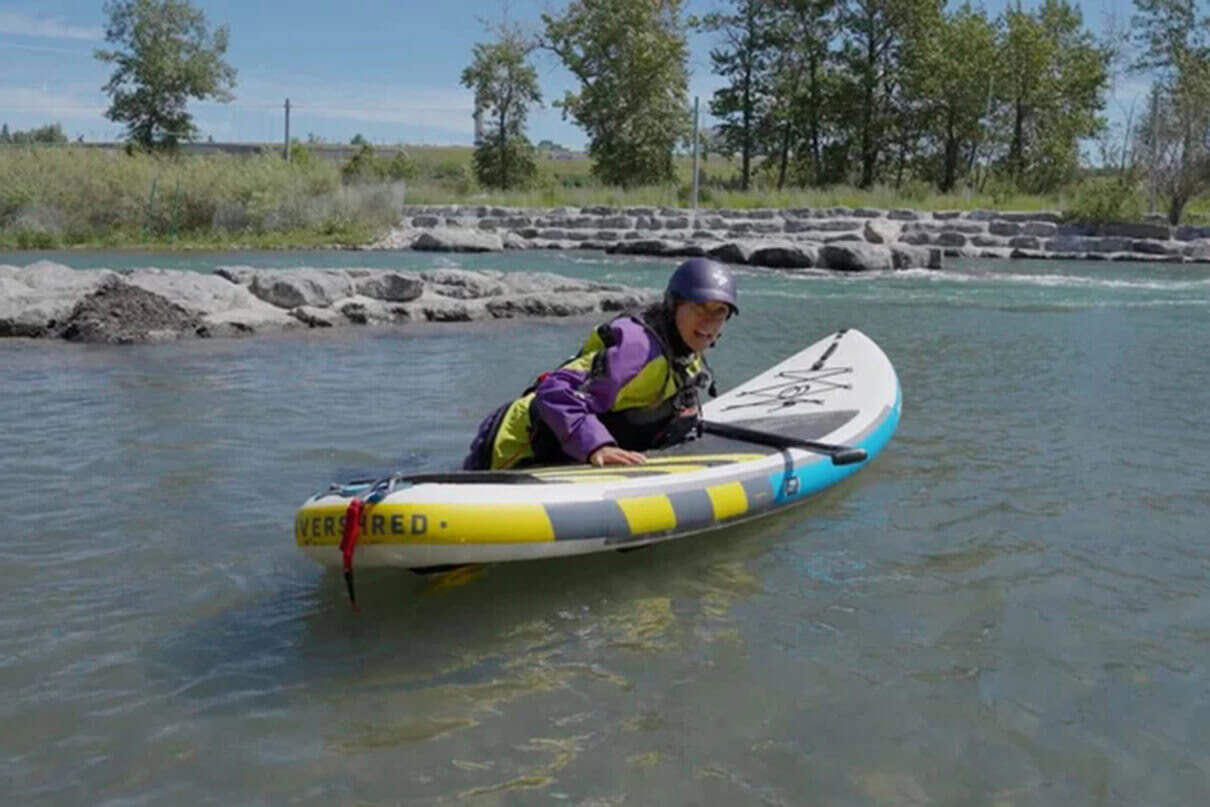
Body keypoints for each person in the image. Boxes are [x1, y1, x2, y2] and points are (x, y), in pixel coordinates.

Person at [463, 258, 740, 470]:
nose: (709, 323)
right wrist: (598, 447)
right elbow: (555, 390)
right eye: (699, 308)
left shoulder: (685, 353)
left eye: (720, 312)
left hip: (562, 451)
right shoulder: (638, 348)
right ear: (674, 305)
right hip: (513, 447)